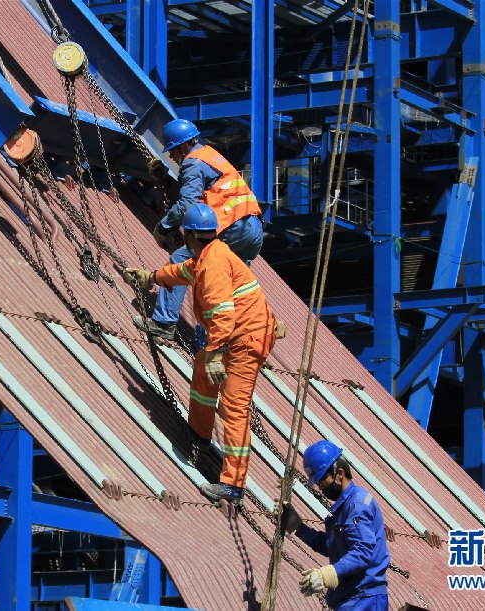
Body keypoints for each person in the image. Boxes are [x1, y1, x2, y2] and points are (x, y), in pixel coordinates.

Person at [122, 203, 276, 504]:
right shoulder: (209, 255)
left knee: (234, 407)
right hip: (237, 336)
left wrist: (216, 354)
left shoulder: (213, 265)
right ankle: (200, 434)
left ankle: (233, 486)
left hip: (246, 340)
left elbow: (223, 315)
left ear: (190, 235)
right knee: (203, 372)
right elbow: (183, 271)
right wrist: (150, 277)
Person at [134, 119, 264, 341]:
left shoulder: (192, 163)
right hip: (253, 230)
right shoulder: (210, 155)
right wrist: (165, 179)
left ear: (184, 145)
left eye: (173, 150)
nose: (172, 155)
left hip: (231, 227)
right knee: (224, 280)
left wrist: (163, 227)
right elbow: (204, 191)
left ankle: (163, 322)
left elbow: (187, 203)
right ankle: (209, 339)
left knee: (180, 260)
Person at [280, 440, 390, 610]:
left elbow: (362, 552)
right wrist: (298, 527)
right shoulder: (344, 508)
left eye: (322, 481)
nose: (321, 488)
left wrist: (328, 574)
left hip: (364, 598)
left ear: (339, 473)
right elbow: (333, 546)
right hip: (352, 598)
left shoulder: (357, 505)